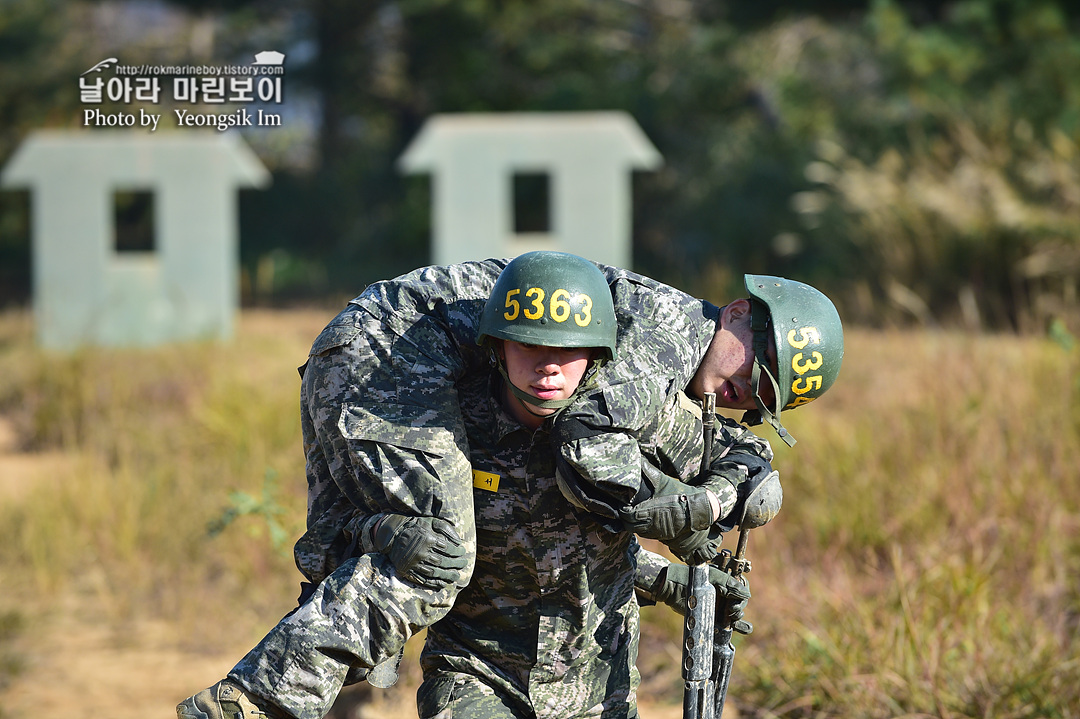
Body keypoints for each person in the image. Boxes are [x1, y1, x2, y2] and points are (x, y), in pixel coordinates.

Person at [177, 252, 843, 719]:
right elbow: (592, 460)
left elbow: (560, 511)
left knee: (395, 537)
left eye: (760, 401)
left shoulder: (671, 374)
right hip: (390, 349)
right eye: (757, 370)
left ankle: (335, 634)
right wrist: (698, 510)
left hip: (390, 348)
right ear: (735, 313)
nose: (740, 396)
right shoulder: (661, 345)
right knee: (437, 551)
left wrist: (691, 540)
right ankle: (249, 704)